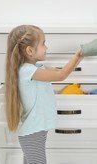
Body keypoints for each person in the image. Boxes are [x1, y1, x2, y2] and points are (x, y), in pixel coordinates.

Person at [5, 24, 83, 164]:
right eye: (43, 43)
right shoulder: (27, 71)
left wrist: (81, 56)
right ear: (29, 50)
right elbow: (60, 75)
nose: (46, 47)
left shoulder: (36, 68)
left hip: (35, 132)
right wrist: (78, 54)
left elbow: (58, 74)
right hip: (32, 133)